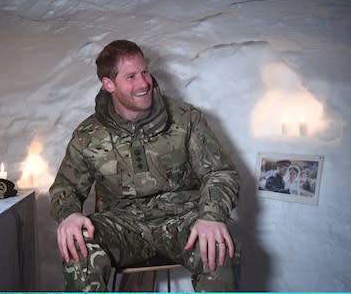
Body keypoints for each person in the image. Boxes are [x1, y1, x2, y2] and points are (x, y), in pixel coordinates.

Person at [49, 39, 240, 292]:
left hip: (182, 221)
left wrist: (212, 216)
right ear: (108, 84)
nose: (143, 83)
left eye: (144, 72)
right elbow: (65, 187)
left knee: (217, 245)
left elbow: (219, 172)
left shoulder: (185, 118)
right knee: (78, 244)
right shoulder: (89, 134)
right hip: (123, 226)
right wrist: (69, 215)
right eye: (130, 77)